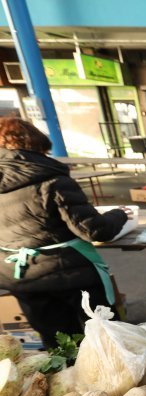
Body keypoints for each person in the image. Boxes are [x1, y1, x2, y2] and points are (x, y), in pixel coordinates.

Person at [0, 118, 131, 349]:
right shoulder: (50, 179)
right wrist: (120, 214)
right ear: (35, 146)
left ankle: (69, 381)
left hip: (21, 278)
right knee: (107, 339)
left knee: (59, 347)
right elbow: (95, 229)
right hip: (72, 276)